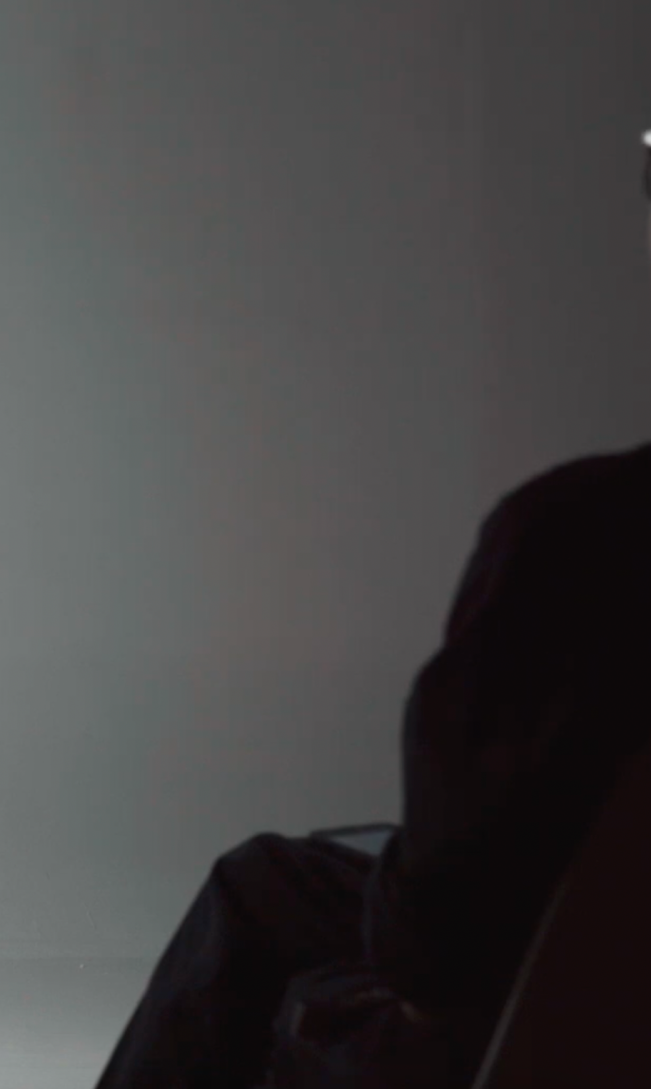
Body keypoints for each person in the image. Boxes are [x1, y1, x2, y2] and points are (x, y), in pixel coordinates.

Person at [93, 130, 651, 1089]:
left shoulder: (578, 538)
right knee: (263, 882)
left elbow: (437, 943)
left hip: (543, 1016)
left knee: (281, 941)